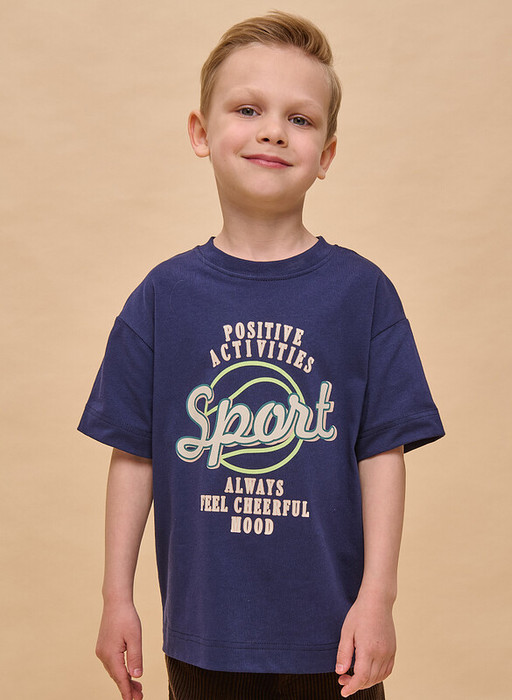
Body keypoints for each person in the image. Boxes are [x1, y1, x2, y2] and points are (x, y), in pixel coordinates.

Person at [78, 11, 444, 700]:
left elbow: (382, 454)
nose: (273, 130)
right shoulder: (162, 297)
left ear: (326, 155)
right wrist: (115, 598)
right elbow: (134, 454)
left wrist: (378, 598)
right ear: (201, 132)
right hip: (203, 636)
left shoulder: (361, 294)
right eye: (248, 109)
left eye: (299, 119)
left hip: (333, 637)